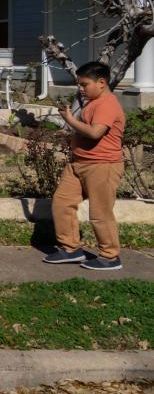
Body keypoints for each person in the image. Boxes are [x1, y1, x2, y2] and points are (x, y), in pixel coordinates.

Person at [44, 61, 126, 271]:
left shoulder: (107, 104)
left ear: (101, 82)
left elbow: (94, 132)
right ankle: (71, 249)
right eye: (79, 84)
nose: (81, 88)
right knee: (62, 203)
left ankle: (110, 256)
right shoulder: (92, 101)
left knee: (100, 213)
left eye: (84, 84)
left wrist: (70, 119)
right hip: (79, 162)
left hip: (102, 165)